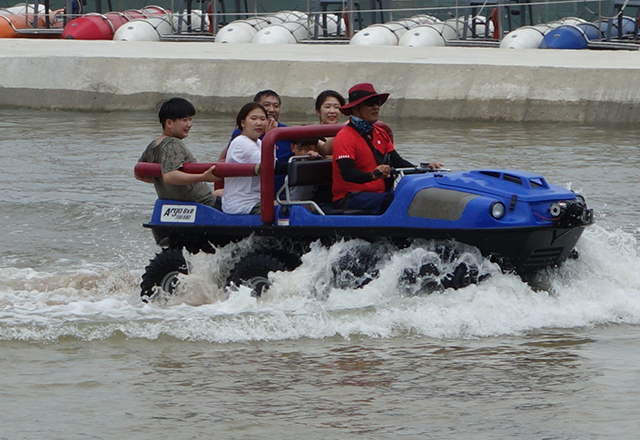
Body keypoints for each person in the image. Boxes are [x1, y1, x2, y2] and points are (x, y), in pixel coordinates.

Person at [332, 83, 442, 215]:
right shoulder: (345, 137)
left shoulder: (380, 133)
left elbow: (398, 162)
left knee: (417, 197)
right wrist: (374, 175)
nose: (376, 107)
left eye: (378, 103)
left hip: (379, 195)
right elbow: (347, 173)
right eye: (370, 103)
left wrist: (425, 170)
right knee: (397, 201)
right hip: (350, 197)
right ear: (355, 109)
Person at [137, 97, 221, 207]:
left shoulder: (153, 145)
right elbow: (169, 176)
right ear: (169, 123)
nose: (189, 124)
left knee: (221, 192)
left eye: (190, 119)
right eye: (184, 120)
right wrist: (203, 177)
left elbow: (139, 174)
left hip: (172, 204)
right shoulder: (173, 143)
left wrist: (169, 185)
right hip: (204, 204)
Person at [219, 90, 293, 193]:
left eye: (276, 106)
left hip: (279, 191)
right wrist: (270, 136)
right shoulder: (242, 138)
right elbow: (269, 165)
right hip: (251, 198)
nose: (271, 109)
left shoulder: (287, 132)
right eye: (266, 105)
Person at [222, 102, 270, 215]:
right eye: (253, 118)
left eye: (263, 119)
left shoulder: (259, 142)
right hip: (242, 205)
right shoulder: (241, 142)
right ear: (243, 123)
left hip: (255, 201)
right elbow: (269, 165)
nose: (259, 123)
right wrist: (270, 135)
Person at [314, 89, 346, 157]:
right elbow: (324, 150)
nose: (332, 111)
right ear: (318, 111)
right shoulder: (312, 134)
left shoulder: (348, 132)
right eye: (327, 107)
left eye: (336, 107)